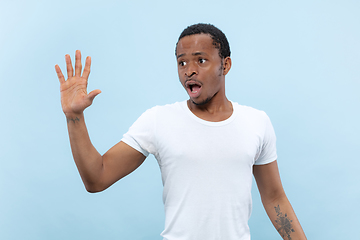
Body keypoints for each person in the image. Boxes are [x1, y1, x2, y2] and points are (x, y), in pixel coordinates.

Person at [55, 23, 307, 240]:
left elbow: (275, 199)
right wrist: (74, 117)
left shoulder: (256, 122)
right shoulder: (158, 120)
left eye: (201, 60)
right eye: (182, 62)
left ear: (225, 65)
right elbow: (96, 179)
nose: (189, 70)